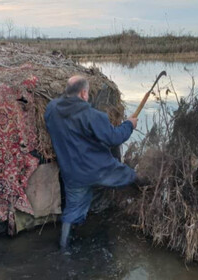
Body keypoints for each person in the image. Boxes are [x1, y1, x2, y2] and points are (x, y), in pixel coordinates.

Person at [44, 75, 139, 252]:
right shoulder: (93, 116)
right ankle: (150, 189)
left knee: (73, 211)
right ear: (84, 93)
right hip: (99, 170)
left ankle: (64, 250)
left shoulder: (51, 109)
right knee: (131, 176)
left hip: (71, 173)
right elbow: (114, 138)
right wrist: (129, 125)